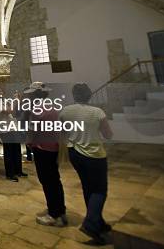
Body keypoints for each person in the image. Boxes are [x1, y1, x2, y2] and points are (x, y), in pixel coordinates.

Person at [60, 83, 113, 245]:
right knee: (99, 190)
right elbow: (108, 134)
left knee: (87, 187)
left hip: (75, 153)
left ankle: (98, 220)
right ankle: (91, 223)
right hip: (94, 155)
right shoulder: (97, 112)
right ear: (89, 95)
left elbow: (63, 131)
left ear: (74, 95)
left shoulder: (66, 111)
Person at [25, 82, 67, 227]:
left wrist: (29, 142)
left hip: (42, 148)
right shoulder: (52, 107)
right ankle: (60, 210)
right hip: (53, 147)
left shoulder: (37, 109)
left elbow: (32, 130)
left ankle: (53, 214)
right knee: (55, 180)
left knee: (47, 181)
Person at [0, 87, 25, 181]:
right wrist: (15, 101)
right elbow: (7, 111)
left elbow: (15, 112)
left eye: (1, 90)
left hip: (13, 127)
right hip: (5, 129)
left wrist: (17, 101)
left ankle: (18, 171)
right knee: (9, 152)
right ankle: (10, 174)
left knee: (16, 149)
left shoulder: (7, 100)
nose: (0, 92)